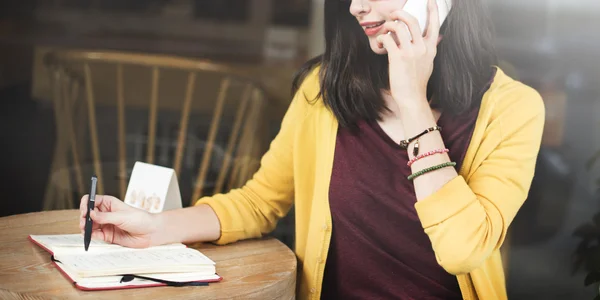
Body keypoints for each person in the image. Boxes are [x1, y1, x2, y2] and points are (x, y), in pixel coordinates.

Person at [79, 0, 545, 299]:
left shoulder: (514, 109)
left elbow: (463, 251)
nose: (357, 7)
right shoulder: (324, 90)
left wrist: (411, 101)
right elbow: (259, 202)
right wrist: (153, 227)